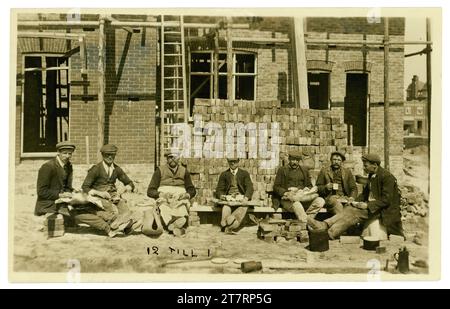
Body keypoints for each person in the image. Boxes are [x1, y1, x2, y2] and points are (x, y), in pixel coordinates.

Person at [307, 153, 404, 240]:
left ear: (374, 165)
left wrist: (367, 205)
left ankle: (328, 232)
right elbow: (365, 194)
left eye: (365, 166)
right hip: (374, 207)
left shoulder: (387, 177)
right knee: (349, 208)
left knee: (354, 213)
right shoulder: (372, 174)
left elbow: (386, 200)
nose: (364, 168)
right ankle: (325, 226)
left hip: (383, 210)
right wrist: (354, 201)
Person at [147, 150, 196, 234]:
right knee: (164, 207)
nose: (173, 159)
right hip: (165, 197)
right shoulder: (159, 170)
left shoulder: (184, 171)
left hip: (179, 197)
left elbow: (192, 189)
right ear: (167, 159)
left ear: (179, 159)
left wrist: (186, 195)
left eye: (175, 157)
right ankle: (175, 226)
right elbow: (150, 191)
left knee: (181, 208)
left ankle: (173, 225)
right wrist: (162, 194)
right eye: (170, 157)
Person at [272, 150, 325, 223]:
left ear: (299, 161)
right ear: (289, 159)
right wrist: (286, 193)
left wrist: (307, 189)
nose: (295, 162)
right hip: (288, 199)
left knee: (320, 201)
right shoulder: (282, 170)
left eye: (297, 160)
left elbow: (309, 185)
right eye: (293, 160)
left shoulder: (304, 170)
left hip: (302, 197)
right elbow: (276, 187)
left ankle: (306, 222)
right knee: (297, 204)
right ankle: (307, 224)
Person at [82, 144, 135, 215]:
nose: (110, 157)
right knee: (110, 212)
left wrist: (124, 189)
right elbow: (85, 187)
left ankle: (124, 222)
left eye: (112, 155)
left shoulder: (117, 169)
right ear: (103, 155)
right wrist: (99, 193)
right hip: (98, 197)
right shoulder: (96, 169)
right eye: (107, 155)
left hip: (113, 196)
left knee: (125, 211)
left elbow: (130, 183)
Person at [34, 141, 76, 217]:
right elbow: (41, 191)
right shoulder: (48, 167)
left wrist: (74, 191)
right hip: (48, 203)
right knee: (74, 215)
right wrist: (60, 195)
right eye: (64, 153)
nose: (67, 156)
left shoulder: (68, 166)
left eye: (70, 154)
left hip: (62, 200)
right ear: (58, 152)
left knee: (85, 207)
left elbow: (67, 186)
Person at [215, 158, 254, 233]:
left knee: (243, 207)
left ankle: (231, 224)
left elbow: (250, 187)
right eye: (230, 162)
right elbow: (219, 189)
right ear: (228, 162)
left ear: (238, 162)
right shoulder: (224, 174)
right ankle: (226, 224)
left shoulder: (244, 173)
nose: (232, 163)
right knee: (226, 207)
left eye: (235, 161)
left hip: (241, 199)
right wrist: (222, 196)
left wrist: (246, 198)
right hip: (229, 199)